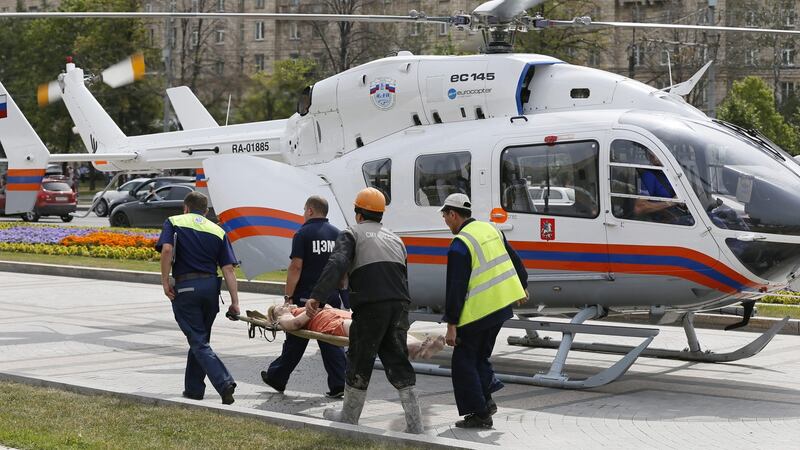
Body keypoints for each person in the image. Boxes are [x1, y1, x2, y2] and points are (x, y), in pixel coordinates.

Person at [304, 187, 424, 434]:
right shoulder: (395, 239)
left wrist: (317, 296)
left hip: (371, 306)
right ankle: (415, 423)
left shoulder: (351, 233)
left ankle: (349, 417)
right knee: (397, 360)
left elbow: (337, 263)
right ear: (381, 215)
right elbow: (403, 277)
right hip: (399, 305)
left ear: (358, 213)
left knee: (359, 358)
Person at [439, 193, 528, 429]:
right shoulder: (491, 230)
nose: (445, 222)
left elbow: (455, 288)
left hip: (477, 312)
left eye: (445, 217)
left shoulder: (460, 245)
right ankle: (486, 401)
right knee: (479, 357)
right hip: (500, 308)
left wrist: (451, 325)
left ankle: (480, 414)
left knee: (463, 362)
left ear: (453, 214)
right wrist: (522, 285)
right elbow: (515, 260)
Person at [156, 191, 240, 405]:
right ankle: (194, 389)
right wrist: (235, 302)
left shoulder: (174, 222)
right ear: (205, 211)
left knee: (198, 340)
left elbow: (167, 250)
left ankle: (224, 383)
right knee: (200, 339)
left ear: (185, 207)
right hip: (211, 289)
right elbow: (228, 269)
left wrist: (165, 281)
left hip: (186, 288)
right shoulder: (217, 230)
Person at [261, 196, 347, 398]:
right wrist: (341, 290)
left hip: (306, 298)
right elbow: (343, 267)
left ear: (309, 210)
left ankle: (277, 376)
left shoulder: (302, 234)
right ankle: (339, 383)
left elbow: (296, 266)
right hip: (331, 296)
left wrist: (288, 297)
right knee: (330, 339)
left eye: (303, 210)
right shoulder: (338, 234)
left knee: (295, 339)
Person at [267, 303, 445, 360]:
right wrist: (310, 310)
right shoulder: (284, 318)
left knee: (389, 330)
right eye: (279, 307)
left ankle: (419, 347)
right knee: (377, 332)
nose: (284, 305)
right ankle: (417, 349)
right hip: (334, 324)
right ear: (276, 315)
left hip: (343, 316)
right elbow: (295, 325)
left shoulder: (296, 309)